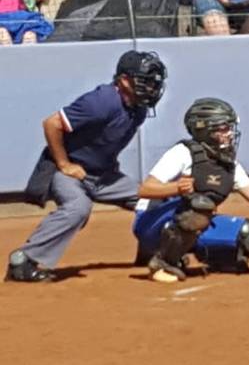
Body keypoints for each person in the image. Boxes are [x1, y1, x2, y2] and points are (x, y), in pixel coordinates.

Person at [5, 51, 167, 283]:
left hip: (104, 176)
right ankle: (23, 261)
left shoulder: (138, 109)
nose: (151, 88)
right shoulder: (102, 102)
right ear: (123, 81)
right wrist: (64, 163)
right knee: (78, 208)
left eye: (154, 82)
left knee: (154, 200)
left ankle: (152, 252)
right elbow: (52, 123)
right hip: (69, 172)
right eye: (145, 81)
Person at [131, 98, 249, 283]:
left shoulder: (229, 165)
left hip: (193, 222)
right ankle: (161, 263)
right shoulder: (183, 153)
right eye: (224, 129)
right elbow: (145, 189)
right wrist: (176, 188)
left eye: (230, 128)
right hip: (151, 222)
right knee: (200, 206)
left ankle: (214, 259)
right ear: (205, 130)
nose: (230, 134)